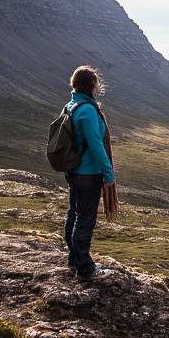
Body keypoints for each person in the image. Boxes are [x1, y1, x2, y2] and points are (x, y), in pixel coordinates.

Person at [64, 65, 117, 282]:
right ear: (92, 86)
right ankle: (85, 269)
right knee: (84, 220)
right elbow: (95, 145)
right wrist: (108, 173)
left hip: (73, 171)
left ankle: (73, 259)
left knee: (73, 214)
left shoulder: (71, 105)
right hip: (88, 173)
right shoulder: (87, 109)